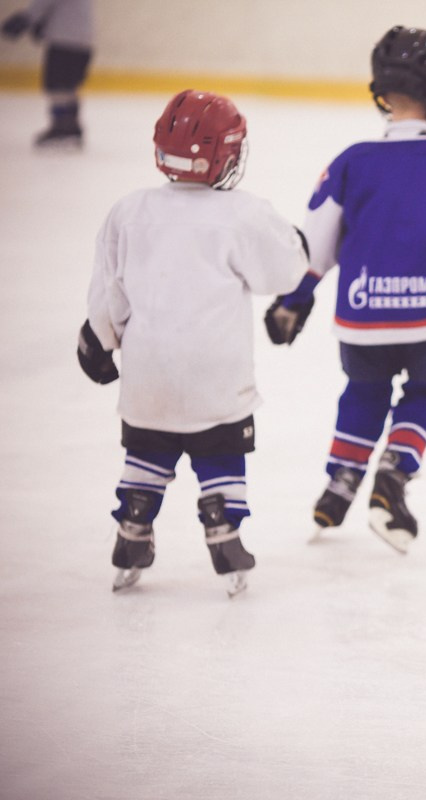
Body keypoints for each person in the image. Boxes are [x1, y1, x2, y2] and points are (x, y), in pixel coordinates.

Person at [264, 26, 426, 554]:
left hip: (363, 311)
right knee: (425, 391)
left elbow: (314, 241)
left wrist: (295, 300)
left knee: (363, 392)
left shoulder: (351, 161)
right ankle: (394, 470)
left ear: (383, 93)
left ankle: (341, 480)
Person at [78, 90, 310, 596]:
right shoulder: (244, 214)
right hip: (217, 374)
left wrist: (98, 339)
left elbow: (109, 290)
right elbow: (285, 272)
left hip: (147, 371)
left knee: (148, 447)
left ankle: (134, 522)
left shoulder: (129, 211)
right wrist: (295, 243)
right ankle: (223, 526)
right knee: (220, 446)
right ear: (226, 154)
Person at [1, 0, 92, 147]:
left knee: (57, 86)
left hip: (64, 41)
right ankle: (71, 126)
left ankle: (63, 126)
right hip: (83, 41)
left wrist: (28, 18)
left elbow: (44, 3)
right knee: (67, 86)